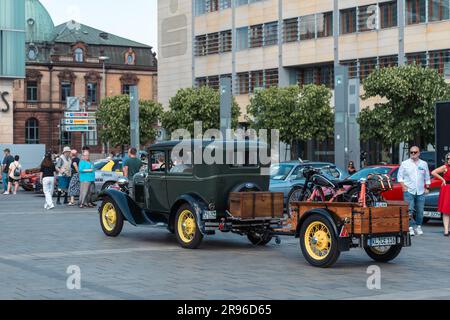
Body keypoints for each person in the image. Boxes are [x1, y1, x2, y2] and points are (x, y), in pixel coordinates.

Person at [398, 146, 431, 237]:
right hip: (409, 190)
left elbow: (427, 177)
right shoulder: (405, 163)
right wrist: (403, 186)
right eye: (411, 152)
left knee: (420, 210)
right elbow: (400, 177)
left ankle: (418, 226)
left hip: (420, 191)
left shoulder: (424, 164)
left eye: (415, 152)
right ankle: (410, 227)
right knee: (409, 210)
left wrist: (427, 187)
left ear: (419, 153)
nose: (413, 154)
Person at [432, 153, 450, 236]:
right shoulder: (445, 167)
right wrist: (442, 179)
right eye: (448, 158)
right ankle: (446, 230)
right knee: (446, 211)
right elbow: (433, 172)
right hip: (447, 189)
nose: (449, 160)